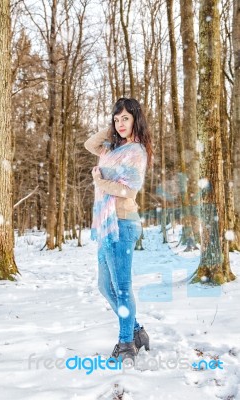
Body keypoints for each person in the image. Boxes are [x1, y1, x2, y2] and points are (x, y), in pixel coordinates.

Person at [84, 97, 153, 362]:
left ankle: (126, 345)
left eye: (126, 118)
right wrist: (110, 129)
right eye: (117, 119)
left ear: (136, 118)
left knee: (122, 287)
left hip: (122, 222)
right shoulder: (110, 148)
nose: (120, 123)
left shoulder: (136, 152)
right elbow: (89, 144)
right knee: (105, 286)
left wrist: (99, 181)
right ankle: (136, 331)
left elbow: (128, 190)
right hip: (106, 225)